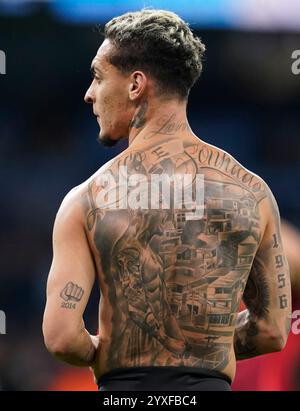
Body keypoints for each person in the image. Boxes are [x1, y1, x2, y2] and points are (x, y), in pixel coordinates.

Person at [42, 9, 292, 391]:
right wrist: (201, 345)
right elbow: (273, 330)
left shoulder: (87, 199)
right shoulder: (252, 192)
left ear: (135, 84)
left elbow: (62, 337)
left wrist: (113, 350)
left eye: (97, 76)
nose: (89, 93)